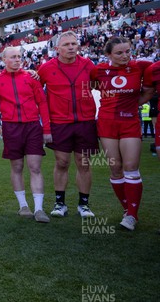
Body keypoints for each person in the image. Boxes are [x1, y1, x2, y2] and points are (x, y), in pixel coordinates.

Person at [91, 37, 151, 231]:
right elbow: (89, 87)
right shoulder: (97, 70)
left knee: (131, 166)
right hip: (107, 123)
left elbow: (149, 90)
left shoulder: (140, 66)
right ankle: (127, 209)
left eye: (128, 51)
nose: (125, 56)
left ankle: (132, 215)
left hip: (130, 122)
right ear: (108, 55)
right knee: (116, 168)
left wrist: (134, 104)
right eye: (119, 53)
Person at [38, 31, 97, 218]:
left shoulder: (88, 65)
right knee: (62, 163)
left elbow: (97, 85)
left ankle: (84, 205)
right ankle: (60, 204)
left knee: (84, 164)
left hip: (85, 122)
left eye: (74, 43)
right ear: (57, 49)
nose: (71, 47)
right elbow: (35, 91)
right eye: (66, 45)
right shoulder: (46, 68)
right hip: (59, 123)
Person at [0, 47, 52, 223]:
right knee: (17, 167)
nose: (18, 60)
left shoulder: (31, 78)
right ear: (4, 60)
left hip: (33, 126)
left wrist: (47, 130)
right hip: (11, 128)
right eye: (13, 57)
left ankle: (39, 209)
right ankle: (23, 206)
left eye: (19, 56)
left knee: (35, 167)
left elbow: (42, 103)